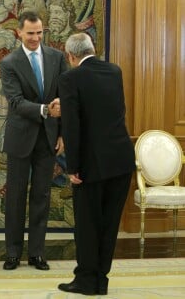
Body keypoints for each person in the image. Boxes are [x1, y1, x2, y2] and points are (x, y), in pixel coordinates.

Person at [58, 33, 135, 295]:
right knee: (109, 225)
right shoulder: (114, 71)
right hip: (122, 160)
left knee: (88, 225)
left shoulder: (70, 77)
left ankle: (86, 281)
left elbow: (72, 125)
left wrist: (72, 167)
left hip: (91, 165)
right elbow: (115, 111)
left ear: (71, 56)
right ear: (93, 49)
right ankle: (101, 280)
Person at [0, 11, 67, 271]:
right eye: (30, 33)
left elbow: (65, 95)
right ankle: (13, 253)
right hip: (21, 138)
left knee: (42, 195)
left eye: (39, 32)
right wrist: (45, 110)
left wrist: (62, 133)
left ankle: (36, 253)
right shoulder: (9, 63)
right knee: (15, 196)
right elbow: (16, 102)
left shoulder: (57, 57)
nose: (36, 38)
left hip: (49, 138)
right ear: (19, 32)